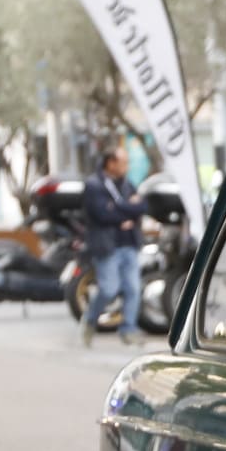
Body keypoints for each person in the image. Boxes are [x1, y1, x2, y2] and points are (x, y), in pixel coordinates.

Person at [81, 146, 146, 348]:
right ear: (111, 163)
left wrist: (118, 207)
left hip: (129, 243)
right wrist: (126, 210)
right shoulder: (94, 185)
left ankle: (128, 329)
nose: (126, 167)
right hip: (107, 245)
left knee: (133, 288)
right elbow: (102, 214)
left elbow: (142, 208)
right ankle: (90, 320)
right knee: (109, 289)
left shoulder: (127, 184)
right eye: (123, 162)